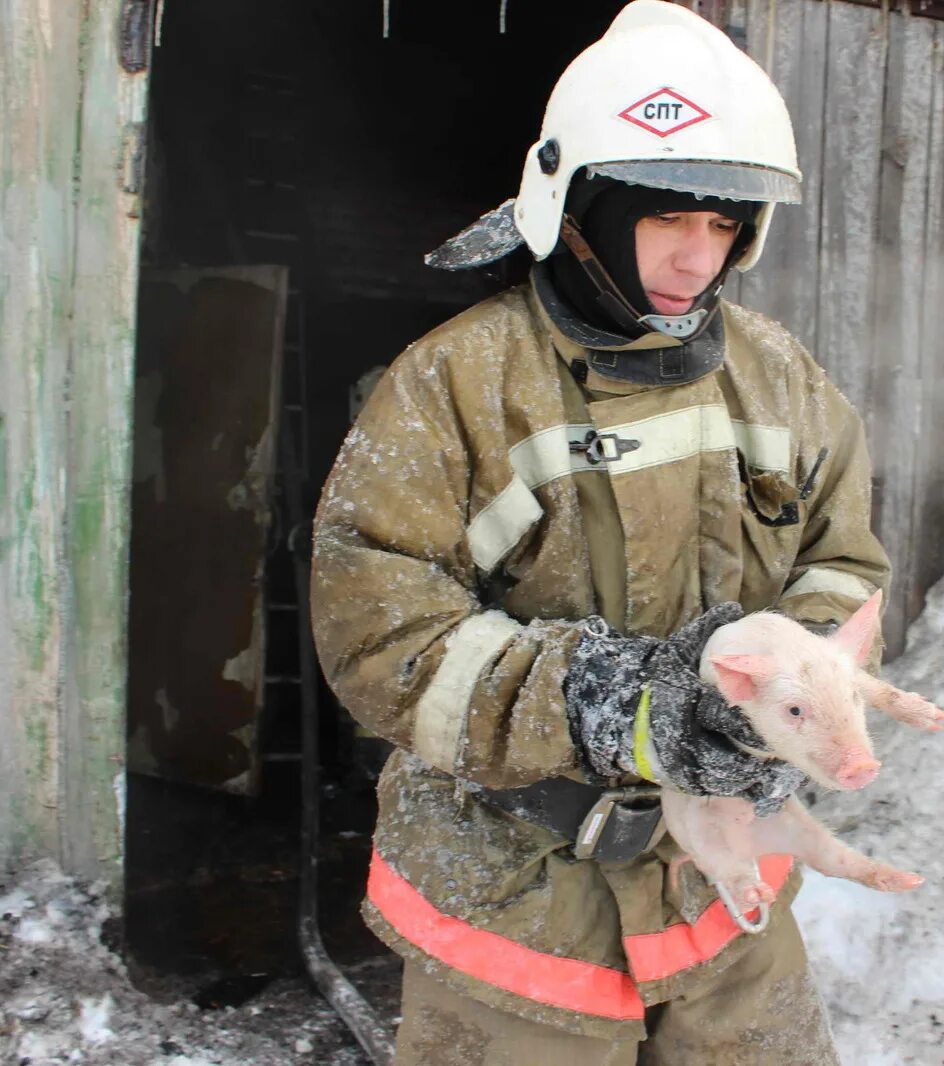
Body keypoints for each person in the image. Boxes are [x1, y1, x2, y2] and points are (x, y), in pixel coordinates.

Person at [309, 3, 890, 1062]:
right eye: (667, 217)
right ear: (576, 205)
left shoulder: (776, 376)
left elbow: (842, 563)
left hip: (725, 904)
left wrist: (779, 686)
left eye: (723, 226)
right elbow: (378, 630)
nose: (694, 259)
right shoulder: (458, 384)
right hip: (516, 922)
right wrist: (610, 699)